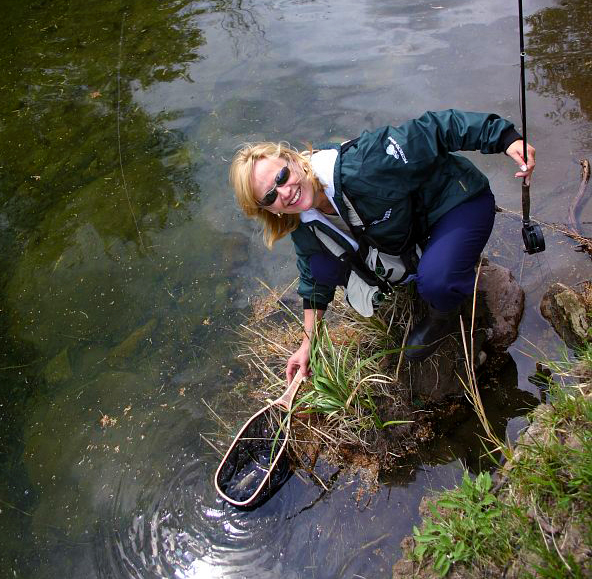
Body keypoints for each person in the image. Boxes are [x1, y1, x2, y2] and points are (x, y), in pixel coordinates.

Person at [230, 109, 535, 383]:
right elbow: (312, 277)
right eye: (270, 196)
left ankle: (442, 316)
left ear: (295, 160)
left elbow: (435, 129)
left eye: (281, 176)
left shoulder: (365, 163)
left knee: (438, 279)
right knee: (321, 263)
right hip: (412, 229)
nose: (285, 192)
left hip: (456, 203)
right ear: (269, 210)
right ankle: (425, 270)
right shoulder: (301, 220)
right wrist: (308, 343)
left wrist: (505, 138)